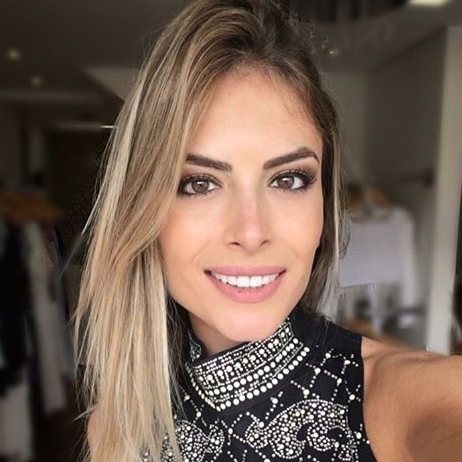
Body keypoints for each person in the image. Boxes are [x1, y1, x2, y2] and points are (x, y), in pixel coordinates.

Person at [72, 0, 462, 461]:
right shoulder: (113, 428)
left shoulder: (409, 398)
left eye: (288, 180)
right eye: (199, 183)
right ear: (143, 209)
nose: (252, 231)